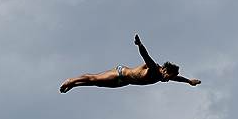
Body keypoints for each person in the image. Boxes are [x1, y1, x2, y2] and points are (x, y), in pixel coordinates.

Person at [60, 34, 201, 93]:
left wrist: (189, 81)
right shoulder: (154, 70)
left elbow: (177, 78)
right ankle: (71, 80)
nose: (167, 80)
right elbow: (146, 56)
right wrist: (139, 44)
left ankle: (74, 85)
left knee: (96, 84)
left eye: (169, 78)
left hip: (124, 82)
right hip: (121, 73)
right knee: (94, 78)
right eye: (168, 76)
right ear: (164, 70)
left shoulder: (164, 77)